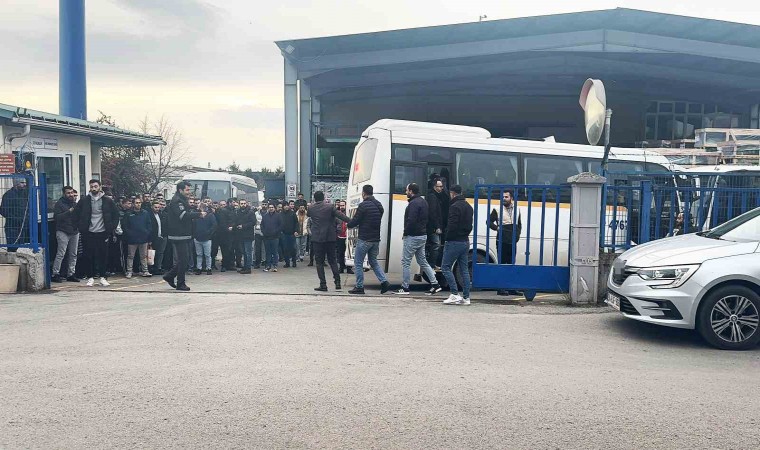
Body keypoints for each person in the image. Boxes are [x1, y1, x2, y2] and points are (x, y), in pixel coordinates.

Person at [394, 183, 442, 295]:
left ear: (411, 191)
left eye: (407, 190)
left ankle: (405, 287)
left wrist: (405, 233)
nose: (406, 192)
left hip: (413, 236)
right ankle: (435, 284)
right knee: (422, 261)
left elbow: (411, 220)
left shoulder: (413, 204)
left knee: (406, 262)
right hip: (422, 235)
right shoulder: (423, 202)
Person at [74, 179, 120, 287]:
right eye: (91, 187)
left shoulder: (108, 201)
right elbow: (76, 214)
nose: (93, 188)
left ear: (100, 187)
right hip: (88, 232)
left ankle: (103, 277)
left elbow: (116, 214)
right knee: (88, 255)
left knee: (103, 255)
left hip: (103, 232)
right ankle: (90, 277)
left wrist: (111, 228)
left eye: (95, 186)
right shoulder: (84, 200)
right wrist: (80, 227)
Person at [346, 185, 390, 295]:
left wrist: (349, 225)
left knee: (358, 263)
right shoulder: (379, 205)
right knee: (373, 261)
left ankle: (359, 287)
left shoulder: (363, 205)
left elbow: (356, 220)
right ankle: (384, 282)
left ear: (363, 193)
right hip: (375, 239)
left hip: (365, 239)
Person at [163, 181, 205, 291]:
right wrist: (199, 214)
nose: (188, 192)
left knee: (184, 259)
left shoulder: (182, 200)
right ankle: (180, 283)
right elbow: (183, 215)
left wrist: (197, 209)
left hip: (184, 234)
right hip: (178, 234)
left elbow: (187, 211)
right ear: (180, 190)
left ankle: (170, 276)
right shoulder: (177, 201)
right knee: (184, 260)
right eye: (187, 190)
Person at [307, 191, 350, 292]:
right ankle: (337, 282)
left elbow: (309, 215)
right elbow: (341, 216)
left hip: (317, 239)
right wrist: (352, 221)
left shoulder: (311, 208)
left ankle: (323, 285)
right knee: (333, 261)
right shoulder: (330, 207)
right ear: (323, 198)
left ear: (314, 199)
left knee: (319, 262)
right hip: (330, 238)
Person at [440, 185, 474, 305]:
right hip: (465, 241)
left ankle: (454, 293)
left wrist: (446, 238)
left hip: (454, 241)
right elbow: (470, 225)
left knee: (445, 267)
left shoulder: (454, 207)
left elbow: (452, 226)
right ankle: (466, 298)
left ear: (452, 193)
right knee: (464, 270)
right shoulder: (469, 206)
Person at [488, 190, 522, 296]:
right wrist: (497, 228)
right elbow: (488, 222)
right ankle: (501, 288)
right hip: (502, 241)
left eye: (506, 197)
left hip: (512, 241)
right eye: (503, 197)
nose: (504, 199)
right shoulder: (497, 209)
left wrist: (517, 236)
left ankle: (511, 288)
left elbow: (519, 224)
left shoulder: (517, 209)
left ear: (511, 198)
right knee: (502, 264)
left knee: (511, 265)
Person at [52, 186, 80, 282]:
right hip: (63, 231)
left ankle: (71, 273)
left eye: (72, 192)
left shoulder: (75, 203)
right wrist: (69, 211)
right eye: (68, 193)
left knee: (73, 254)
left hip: (74, 231)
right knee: (61, 253)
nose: (71, 195)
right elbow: (57, 217)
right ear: (64, 194)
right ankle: (55, 273)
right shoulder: (59, 204)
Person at [122, 197, 153, 278]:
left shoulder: (145, 213)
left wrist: (147, 233)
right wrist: (129, 234)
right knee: (130, 256)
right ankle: (129, 271)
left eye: (139, 203)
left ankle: (145, 271)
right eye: (136, 203)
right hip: (132, 239)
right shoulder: (128, 214)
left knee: (144, 256)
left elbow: (149, 224)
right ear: (133, 204)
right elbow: (125, 226)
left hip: (143, 238)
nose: (138, 204)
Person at [0, 177, 30, 251]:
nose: (24, 184)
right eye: (22, 183)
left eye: (25, 183)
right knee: (12, 248)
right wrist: (16, 219)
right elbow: (3, 211)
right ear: (16, 183)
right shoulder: (8, 195)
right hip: (12, 227)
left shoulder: (25, 194)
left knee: (21, 248)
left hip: (23, 226)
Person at [193, 199, 218, 275]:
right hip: (198, 238)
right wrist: (195, 234)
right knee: (199, 254)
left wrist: (209, 233)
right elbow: (193, 226)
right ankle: (199, 268)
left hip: (207, 239)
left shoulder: (210, 215)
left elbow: (214, 226)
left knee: (207, 255)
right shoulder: (197, 215)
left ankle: (208, 268)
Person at [426, 177, 445, 269]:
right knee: (436, 245)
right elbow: (433, 213)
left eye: (442, 186)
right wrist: (437, 227)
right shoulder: (433, 197)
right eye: (439, 186)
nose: (441, 188)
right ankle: (432, 265)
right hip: (433, 227)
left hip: (434, 226)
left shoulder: (436, 196)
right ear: (434, 187)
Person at [234, 199, 256, 274]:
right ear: (239, 204)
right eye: (241, 203)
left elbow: (253, 222)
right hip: (240, 235)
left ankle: (248, 268)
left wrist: (243, 226)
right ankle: (245, 267)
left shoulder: (250, 212)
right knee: (244, 252)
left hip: (248, 235)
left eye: (244, 203)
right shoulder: (238, 212)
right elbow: (236, 221)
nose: (243, 205)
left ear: (246, 203)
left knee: (248, 252)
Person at [260, 203, 282, 272]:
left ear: (274, 208)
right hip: (266, 237)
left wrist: (275, 232)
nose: (271, 208)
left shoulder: (278, 216)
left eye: (272, 207)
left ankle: (275, 266)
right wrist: (264, 232)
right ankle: (268, 266)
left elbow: (280, 226)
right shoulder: (265, 216)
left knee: (275, 252)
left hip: (275, 237)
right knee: (268, 252)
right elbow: (262, 225)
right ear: (268, 208)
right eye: (270, 207)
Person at [149, 201, 168, 275]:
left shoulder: (161, 215)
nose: (157, 209)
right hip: (153, 237)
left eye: (158, 207)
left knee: (160, 253)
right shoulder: (149, 215)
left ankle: (158, 267)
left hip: (161, 236)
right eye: (155, 207)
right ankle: (151, 268)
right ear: (152, 207)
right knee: (152, 253)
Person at [215, 199, 234, 272]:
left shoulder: (229, 212)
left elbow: (231, 220)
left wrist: (231, 226)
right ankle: (224, 265)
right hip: (219, 234)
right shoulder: (217, 212)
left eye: (224, 204)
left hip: (228, 234)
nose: (222, 206)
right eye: (221, 205)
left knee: (228, 250)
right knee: (222, 250)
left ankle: (227, 265)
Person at [280, 202, 298, 268]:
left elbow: (296, 223)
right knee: (285, 249)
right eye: (285, 205)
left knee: (293, 249)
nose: (286, 206)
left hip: (292, 234)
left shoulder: (292, 213)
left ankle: (294, 262)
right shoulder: (280, 214)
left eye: (287, 205)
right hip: (284, 234)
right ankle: (287, 263)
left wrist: (296, 230)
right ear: (283, 206)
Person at [253, 203, 265, 269]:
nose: (264, 206)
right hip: (257, 232)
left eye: (265, 204)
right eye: (263, 204)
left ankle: (264, 261)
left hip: (265, 233)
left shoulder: (267, 213)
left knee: (264, 248)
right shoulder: (256, 213)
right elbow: (254, 223)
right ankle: (257, 262)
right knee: (257, 249)